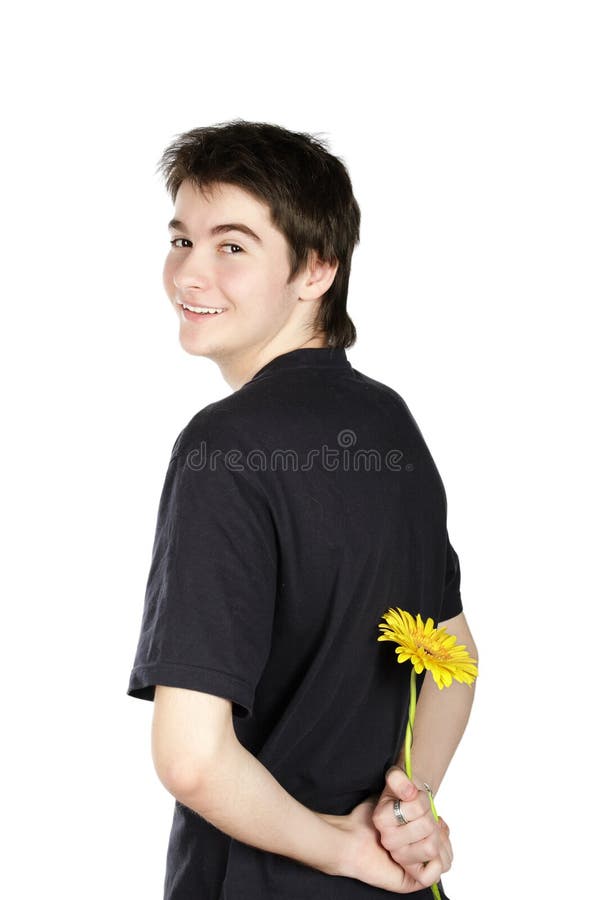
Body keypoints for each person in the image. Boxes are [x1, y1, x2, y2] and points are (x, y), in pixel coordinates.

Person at [126, 119, 478, 899]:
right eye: (181, 239)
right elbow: (455, 656)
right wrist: (408, 807)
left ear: (317, 269)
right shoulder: (390, 423)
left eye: (232, 247)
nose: (189, 275)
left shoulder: (224, 445)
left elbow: (190, 756)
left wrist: (345, 850)